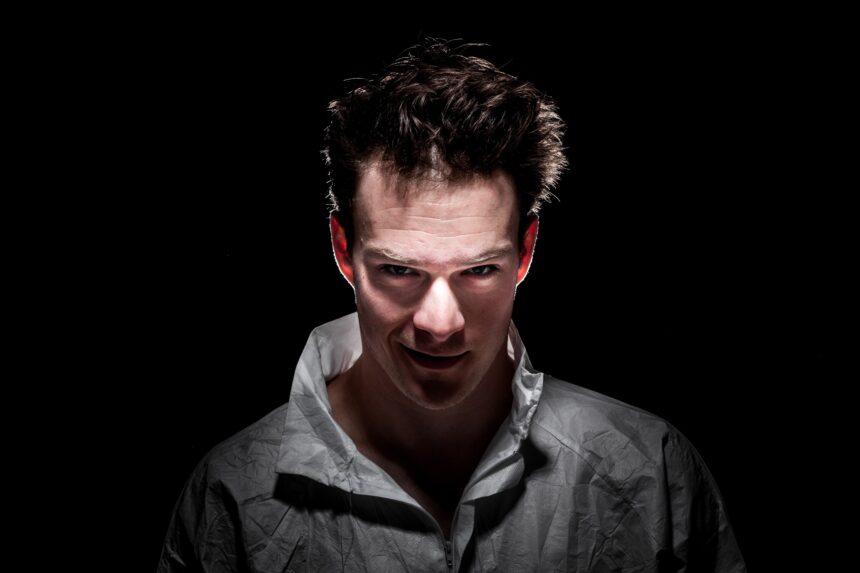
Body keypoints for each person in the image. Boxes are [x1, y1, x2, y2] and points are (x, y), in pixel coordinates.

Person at [158, 40, 746, 572]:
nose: (439, 324)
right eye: (399, 270)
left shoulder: (650, 471)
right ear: (343, 250)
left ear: (525, 252)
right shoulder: (232, 494)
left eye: (478, 270)